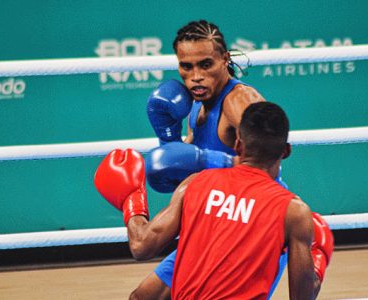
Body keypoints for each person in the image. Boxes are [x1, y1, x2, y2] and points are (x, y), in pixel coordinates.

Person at [94, 102, 334, 299]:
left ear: (238, 145)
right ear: (286, 151)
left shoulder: (196, 183)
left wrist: (133, 201)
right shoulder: (293, 212)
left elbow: (141, 246)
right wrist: (318, 261)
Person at [139, 20, 288, 299]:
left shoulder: (239, 100)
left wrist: (208, 160)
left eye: (205, 64)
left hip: (254, 226)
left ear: (224, 60)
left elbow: (269, 160)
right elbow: (190, 160)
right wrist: (169, 143)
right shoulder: (196, 102)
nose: (195, 76)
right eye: (186, 66)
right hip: (216, 221)